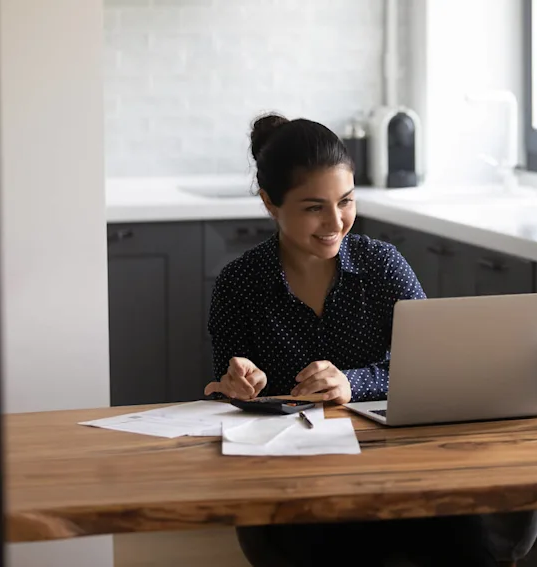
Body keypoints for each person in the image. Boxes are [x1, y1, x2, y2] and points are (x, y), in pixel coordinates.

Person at [204, 112, 499, 567]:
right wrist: (240, 382)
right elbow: (226, 382)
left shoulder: (383, 265)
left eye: (345, 200)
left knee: (467, 533)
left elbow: (434, 369)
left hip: (393, 465)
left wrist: (353, 384)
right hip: (291, 477)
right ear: (270, 203)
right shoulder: (239, 283)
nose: (336, 221)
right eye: (313, 207)